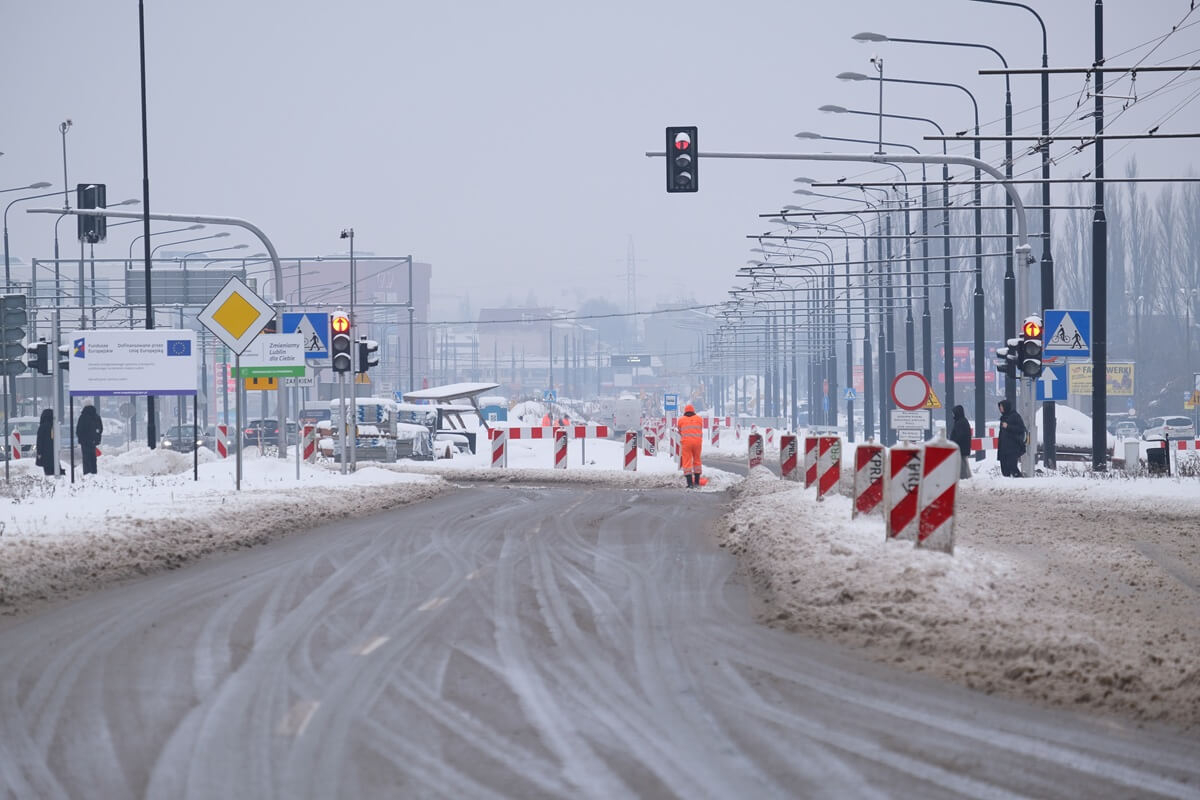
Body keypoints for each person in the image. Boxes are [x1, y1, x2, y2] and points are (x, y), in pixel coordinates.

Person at [997, 399, 1027, 477]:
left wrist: (1008, 427)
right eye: (1000, 407)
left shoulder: (1015, 416)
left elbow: (1021, 429)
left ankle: (1020, 482)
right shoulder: (1003, 417)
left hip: (1013, 448)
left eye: (1002, 407)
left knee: (1012, 467)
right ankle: (1008, 484)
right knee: (1004, 470)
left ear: (1006, 407)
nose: (1000, 409)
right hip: (1004, 448)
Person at [677, 403, 704, 488]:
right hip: (697, 443)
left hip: (686, 443)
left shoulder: (681, 420)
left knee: (687, 461)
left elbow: (680, 430)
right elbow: (700, 428)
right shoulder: (699, 419)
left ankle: (689, 483)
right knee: (697, 460)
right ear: (693, 411)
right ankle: (696, 481)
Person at [76, 404, 103, 475]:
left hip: (85, 441)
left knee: (86, 457)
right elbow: (100, 429)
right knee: (93, 457)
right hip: (93, 441)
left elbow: (79, 430)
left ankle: (87, 472)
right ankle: (94, 472)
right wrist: (97, 438)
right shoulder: (97, 417)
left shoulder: (83, 417)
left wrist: (81, 438)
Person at [949, 404, 973, 480]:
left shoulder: (960, 422)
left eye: (954, 412)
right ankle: (967, 477)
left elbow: (960, 435)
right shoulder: (962, 421)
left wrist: (953, 442)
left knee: (962, 464)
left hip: (960, 447)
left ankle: (964, 478)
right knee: (963, 463)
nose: (952, 414)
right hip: (962, 447)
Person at [35, 408, 56, 478]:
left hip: (45, 454)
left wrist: (39, 453)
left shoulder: (42, 427)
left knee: (48, 473)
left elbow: (39, 441)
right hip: (54, 454)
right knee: (54, 471)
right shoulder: (54, 426)